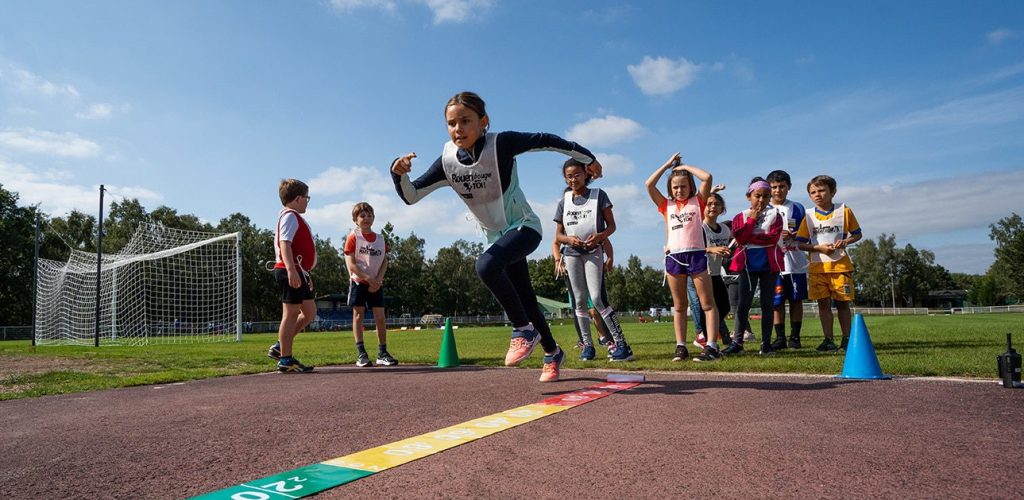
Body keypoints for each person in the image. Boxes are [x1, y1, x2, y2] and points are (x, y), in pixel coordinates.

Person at [389, 91, 603, 382]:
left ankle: (522, 330)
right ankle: (552, 352)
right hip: (497, 239)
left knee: (486, 266)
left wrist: (586, 157)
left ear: (483, 122)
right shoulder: (447, 162)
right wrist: (397, 173)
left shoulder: (501, 144)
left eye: (465, 121)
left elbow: (545, 140)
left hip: (524, 228)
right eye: (451, 123)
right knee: (527, 301)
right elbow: (412, 196)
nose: (458, 129)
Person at [645, 153, 723, 362]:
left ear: (690, 187)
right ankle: (681, 346)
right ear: (670, 189)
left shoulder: (698, 201)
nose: (679, 190)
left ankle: (712, 346)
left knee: (707, 303)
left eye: (683, 186)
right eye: (675, 187)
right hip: (674, 257)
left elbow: (707, 177)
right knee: (679, 306)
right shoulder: (666, 205)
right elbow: (649, 184)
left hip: (696, 254)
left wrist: (685, 168)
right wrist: (667, 165)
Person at [553, 159, 634, 362]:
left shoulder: (599, 196)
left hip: (593, 252)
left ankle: (621, 344)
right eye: (569, 176)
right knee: (579, 301)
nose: (573, 179)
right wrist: (569, 240)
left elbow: (612, 226)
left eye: (577, 174)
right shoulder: (564, 201)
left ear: (586, 174)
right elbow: (558, 236)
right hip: (571, 253)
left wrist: (599, 237)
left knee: (597, 298)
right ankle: (587, 346)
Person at [795, 175, 863, 352]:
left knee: (842, 303)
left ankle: (847, 339)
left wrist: (846, 242)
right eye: (813, 192)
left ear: (832, 191)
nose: (817, 194)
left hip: (840, 266)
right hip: (818, 267)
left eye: (821, 190)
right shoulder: (808, 216)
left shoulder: (844, 211)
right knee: (823, 305)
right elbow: (800, 243)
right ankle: (828, 339)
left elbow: (857, 233)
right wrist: (818, 248)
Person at [722, 178, 784, 356]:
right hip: (747, 265)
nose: (761, 200)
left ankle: (766, 344)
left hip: (769, 264)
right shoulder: (740, 216)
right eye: (757, 196)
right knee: (743, 305)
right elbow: (740, 238)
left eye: (766, 196)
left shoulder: (776, 215)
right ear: (749, 196)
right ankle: (738, 343)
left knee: (767, 305)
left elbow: (772, 238)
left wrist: (750, 237)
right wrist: (752, 222)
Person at [267, 179, 316, 373]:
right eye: (306, 198)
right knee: (290, 314)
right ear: (297, 198)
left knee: (310, 313)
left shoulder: (294, 216)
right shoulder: (289, 216)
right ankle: (285, 359)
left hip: (300, 271)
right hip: (291, 270)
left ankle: (281, 345)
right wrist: (291, 270)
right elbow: (285, 243)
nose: (307, 201)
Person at [344, 202, 398, 367]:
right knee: (358, 315)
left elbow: (384, 261)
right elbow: (351, 264)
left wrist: (378, 280)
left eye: (369, 215)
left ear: (374, 218)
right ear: (355, 220)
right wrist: (368, 279)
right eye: (362, 216)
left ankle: (382, 352)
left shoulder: (380, 239)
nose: (366, 218)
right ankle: (361, 353)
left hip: (376, 283)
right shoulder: (353, 237)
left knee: (380, 318)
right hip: (359, 282)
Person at [767, 169, 809, 350]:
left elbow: (807, 234)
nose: (778, 190)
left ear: (789, 187)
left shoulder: (798, 207)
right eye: (774, 187)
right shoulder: (764, 209)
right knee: (776, 303)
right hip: (773, 263)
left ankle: (795, 337)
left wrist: (796, 234)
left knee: (796, 300)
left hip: (795, 262)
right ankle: (780, 338)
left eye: (781, 186)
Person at [553, 237, 614, 359]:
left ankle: (611, 340)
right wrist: (557, 260)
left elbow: (604, 238)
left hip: (592, 263)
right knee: (578, 305)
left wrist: (610, 258)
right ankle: (585, 343)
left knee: (599, 301)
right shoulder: (566, 222)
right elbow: (556, 241)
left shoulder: (590, 222)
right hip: (572, 266)